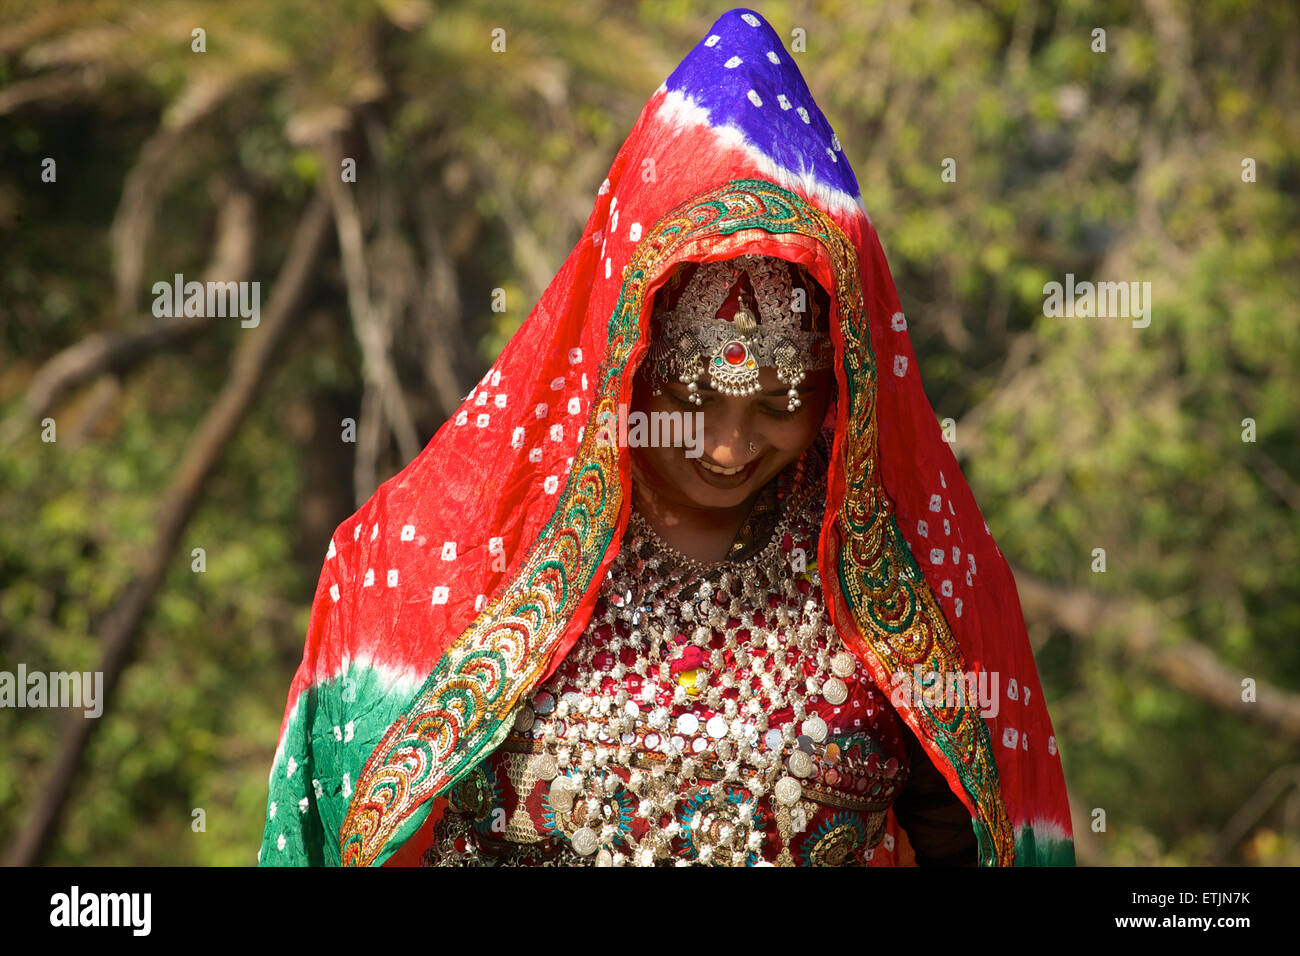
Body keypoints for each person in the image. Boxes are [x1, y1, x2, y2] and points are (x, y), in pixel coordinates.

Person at [259, 8, 1074, 867]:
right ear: (622, 362)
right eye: (690, 397)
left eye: (779, 401)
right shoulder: (438, 566)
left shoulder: (921, 590)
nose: (728, 447)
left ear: (843, 390)